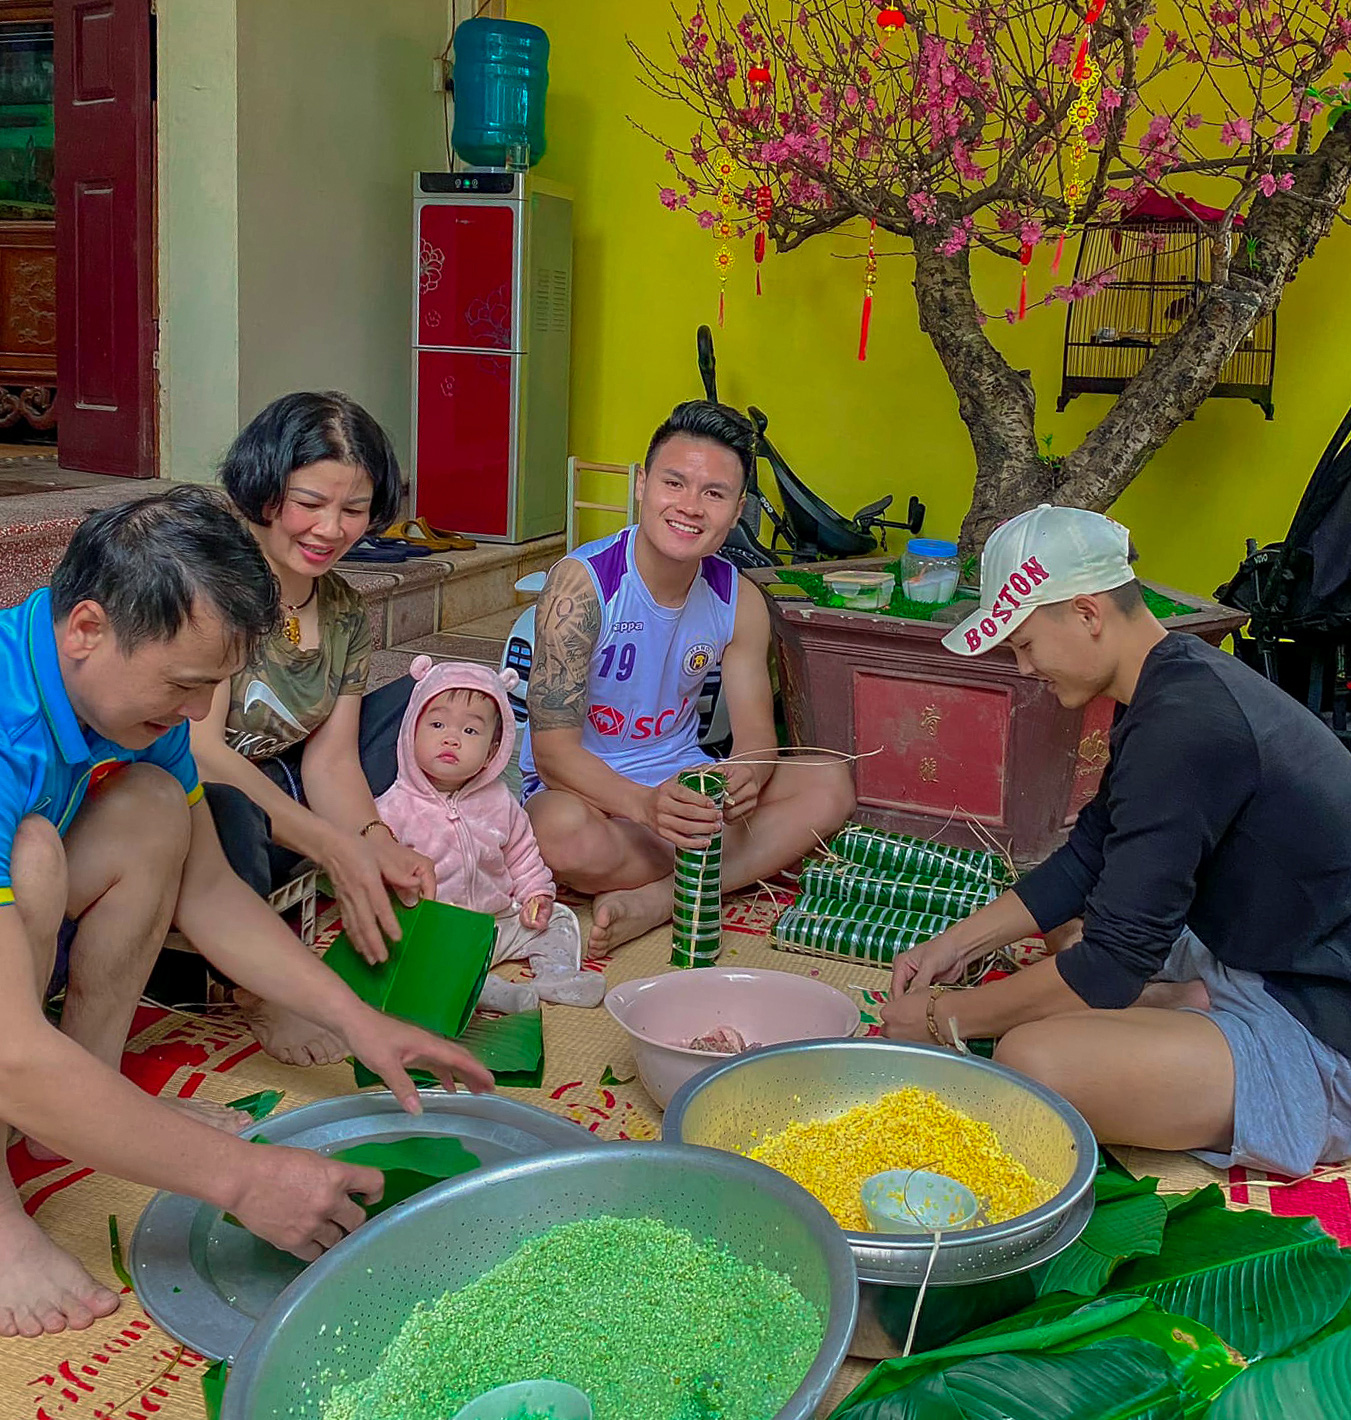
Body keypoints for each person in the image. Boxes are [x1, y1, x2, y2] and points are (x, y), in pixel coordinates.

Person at [0, 488, 492, 1340]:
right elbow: (7, 1048)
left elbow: (210, 888)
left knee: (156, 806)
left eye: (211, 689)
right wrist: (239, 1179)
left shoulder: (124, 691)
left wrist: (353, 1017)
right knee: (35, 862)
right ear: (85, 629)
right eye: (185, 685)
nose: (197, 715)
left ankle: (81, 1099)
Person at [880, 504, 1351, 1178]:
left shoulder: (1185, 724)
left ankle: (1195, 1019)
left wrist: (945, 1019)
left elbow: (1112, 962)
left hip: (1316, 1022)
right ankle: (1180, 1006)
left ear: (1086, 613)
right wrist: (952, 945)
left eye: (1024, 644)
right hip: (1246, 953)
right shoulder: (1169, 679)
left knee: (1029, 1059)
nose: (1022, 669)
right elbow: (1089, 854)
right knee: (1067, 930)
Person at [521, 400, 856, 956]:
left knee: (830, 782)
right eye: (674, 483)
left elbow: (754, 741)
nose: (690, 507)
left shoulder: (738, 598)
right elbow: (553, 753)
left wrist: (747, 775)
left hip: (686, 782)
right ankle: (708, 869)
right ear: (643, 485)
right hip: (589, 791)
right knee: (557, 834)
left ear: (737, 510)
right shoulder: (580, 586)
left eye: (715, 493)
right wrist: (646, 805)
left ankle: (659, 899)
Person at [191, 392, 432, 1066]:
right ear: (265, 490)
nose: (330, 528)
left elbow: (332, 762)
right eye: (309, 503)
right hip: (200, 788)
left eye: (353, 510)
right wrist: (332, 846)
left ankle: (324, 858)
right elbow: (201, 750)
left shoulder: (346, 611)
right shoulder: (219, 584)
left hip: (282, 776)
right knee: (228, 801)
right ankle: (255, 983)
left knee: (417, 703)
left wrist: (373, 841)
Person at [374, 657, 605, 1012]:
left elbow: (522, 854)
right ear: (410, 732)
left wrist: (535, 894)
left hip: (498, 923)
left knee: (560, 918)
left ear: (492, 751)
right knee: (408, 952)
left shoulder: (499, 800)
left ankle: (556, 975)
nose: (451, 738)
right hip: (437, 931)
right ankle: (488, 991)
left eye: (470, 731)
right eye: (436, 724)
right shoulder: (391, 809)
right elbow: (375, 871)